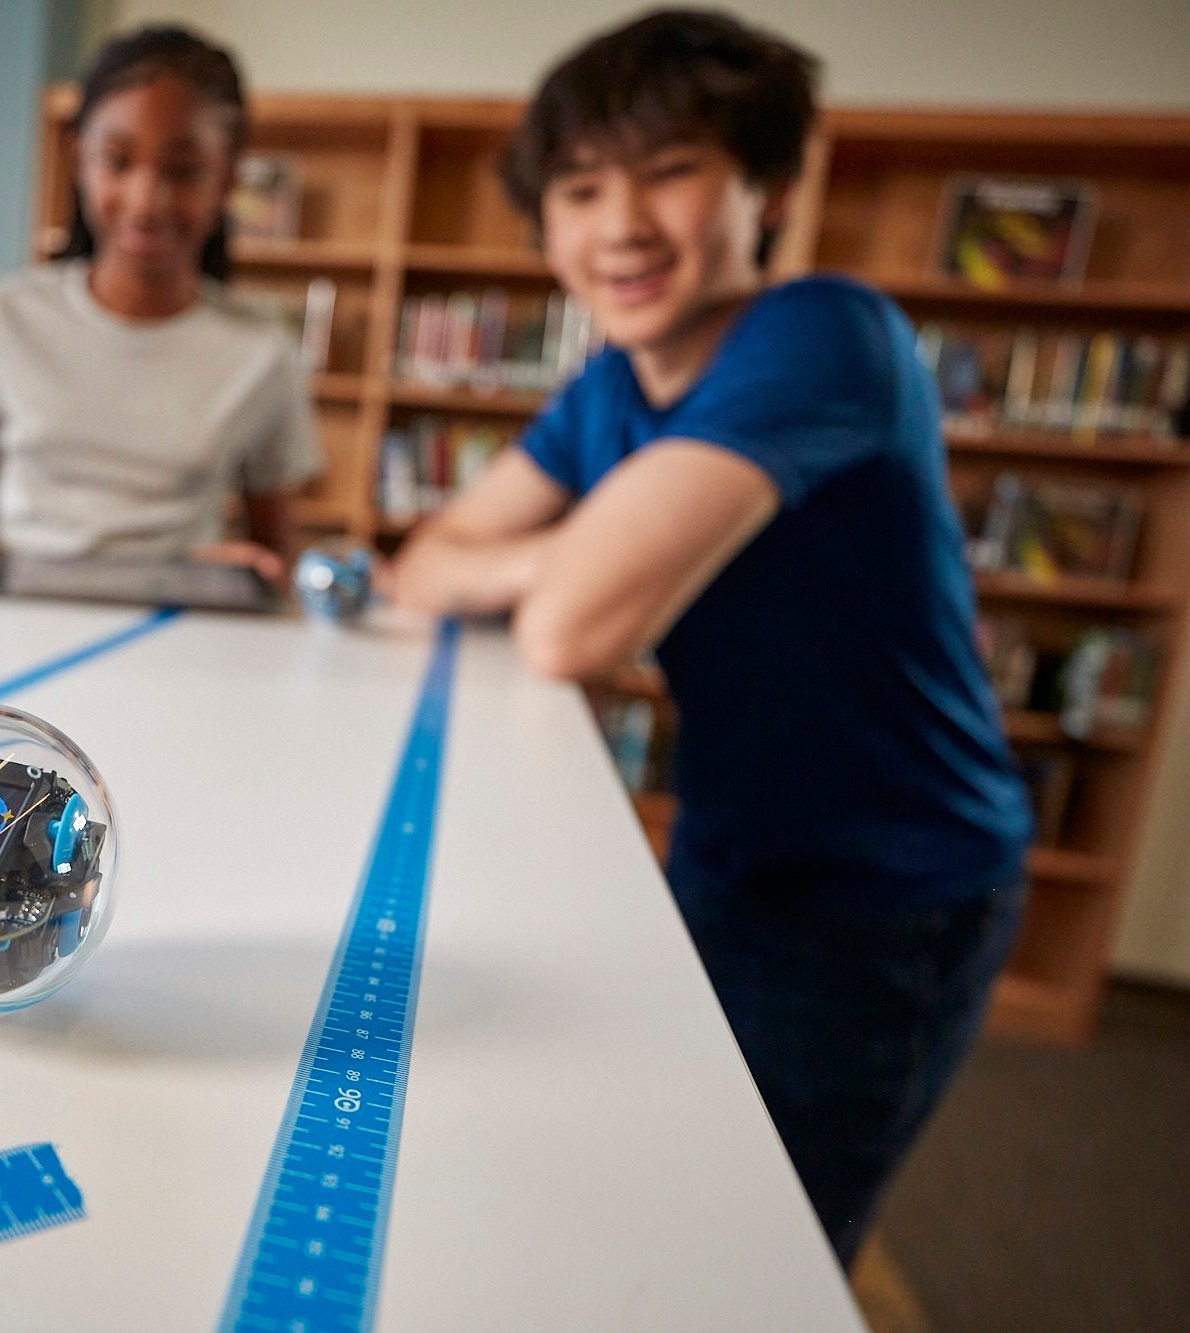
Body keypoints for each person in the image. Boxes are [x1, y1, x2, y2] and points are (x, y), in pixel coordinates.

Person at [387, 10, 1032, 1267]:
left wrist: (551, 572)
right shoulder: (610, 389)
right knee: (666, 1171)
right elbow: (421, 566)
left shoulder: (824, 332)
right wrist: (563, 555)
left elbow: (572, 627)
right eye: (579, 188)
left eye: (669, 171)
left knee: (767, 1245)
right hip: (729, 845)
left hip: (891, 888)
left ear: (768, 188)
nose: (620, 224)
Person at [0, 24, 320, 598]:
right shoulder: (6, 315)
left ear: (228, 177)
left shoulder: (261, 350)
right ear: (80, 158)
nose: (145, 201)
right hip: (12, 617)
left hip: (182, 632)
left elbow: (276, 552)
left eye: (182, 171)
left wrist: (259, 579)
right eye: (117, 161)